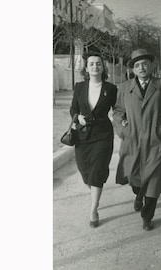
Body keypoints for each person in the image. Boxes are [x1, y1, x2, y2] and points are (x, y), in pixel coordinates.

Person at [113, 48, 161, 231]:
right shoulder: (125, 88)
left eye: (145, 64)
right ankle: (138, 194)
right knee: (135, 178)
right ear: (133, 69)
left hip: (154, 140)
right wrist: (123, 129)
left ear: (151, 66)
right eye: (137, 65)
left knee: (154, 180)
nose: (141, 68)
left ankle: (147, 216)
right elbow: (118, 111)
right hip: (132, 140)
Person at [70, 51, 117, 228]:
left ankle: (93, 209)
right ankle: (95, 193)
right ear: (86, 68)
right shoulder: (79, 87)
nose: (95, 66)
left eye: (98, 63)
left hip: (103, 136)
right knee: (85, 171)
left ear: (103, 66)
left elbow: (118, 109)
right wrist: (77, 118)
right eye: (91, 64)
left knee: (97, 170)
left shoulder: (111, 89)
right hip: (83, 136)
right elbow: (73, 109)